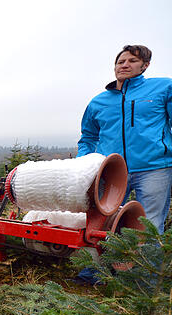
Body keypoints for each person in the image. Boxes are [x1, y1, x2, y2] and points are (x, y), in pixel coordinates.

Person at [75, 44, 172, 285]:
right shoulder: (99, 101)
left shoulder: (163, 88)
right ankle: (96, 272)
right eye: (121, 61)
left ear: (145, 65)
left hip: (155, 168)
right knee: (101, 221)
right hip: (113, 172)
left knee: (149, 225)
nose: (124, 65)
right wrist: (84, 165)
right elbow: (88, 138)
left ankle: (144, 282)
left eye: (132, 61)